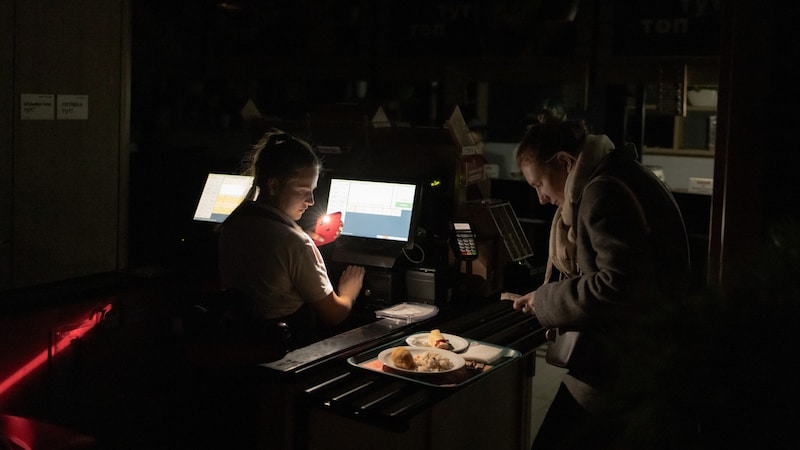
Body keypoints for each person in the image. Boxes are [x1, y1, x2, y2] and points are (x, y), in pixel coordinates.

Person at [511, 120, 691, 449]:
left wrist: (546, 300)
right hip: (649, 353)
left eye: (539, 184)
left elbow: (617, 285)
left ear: (565, 162)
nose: (541, 198)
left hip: (620, 363)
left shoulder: (601, 192)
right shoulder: (624, 173)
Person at [218, 129, 365, 350]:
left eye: (313, 191)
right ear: (274, 185)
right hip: (285, 352)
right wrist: (349, 293)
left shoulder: (234, 223)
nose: (311, 201)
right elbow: (334, 315)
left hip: (238, 348)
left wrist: (306, 238)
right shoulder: (295, 243)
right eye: (303, 191)